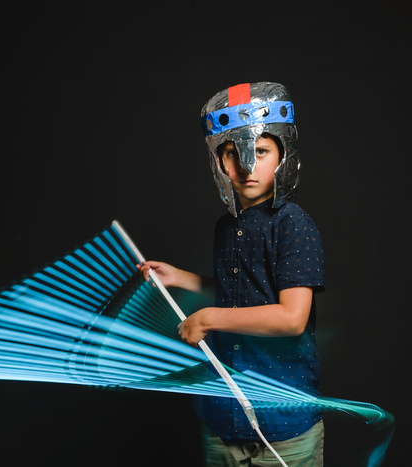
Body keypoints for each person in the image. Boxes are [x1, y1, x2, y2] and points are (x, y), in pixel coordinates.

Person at [138, 82, 325, 466]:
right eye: (232, 154)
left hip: (282, 427)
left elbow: (292, 317)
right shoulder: (226, 226)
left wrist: (208, 319)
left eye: (259, 151)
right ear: (218, 162)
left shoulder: (293, 224)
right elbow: (239, 293)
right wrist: (182, 278)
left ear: (283, 156)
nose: (246, 166)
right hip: (223, 421)